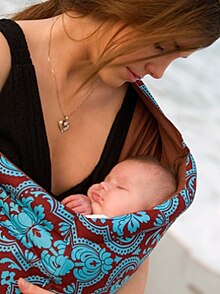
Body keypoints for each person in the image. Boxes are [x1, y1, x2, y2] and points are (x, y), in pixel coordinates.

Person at [0, 0, 219, 293]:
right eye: (160, 46)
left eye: (177, 58)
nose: (159, 72)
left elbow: (129, 269)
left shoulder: (139, 131)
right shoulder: (4, 57)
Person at [62, 156, 177, 217]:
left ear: (143, 214)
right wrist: (85, 205)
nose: (102, 185)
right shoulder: (92, 213)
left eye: (120, 186)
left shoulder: (128, 241)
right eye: (106, 179)